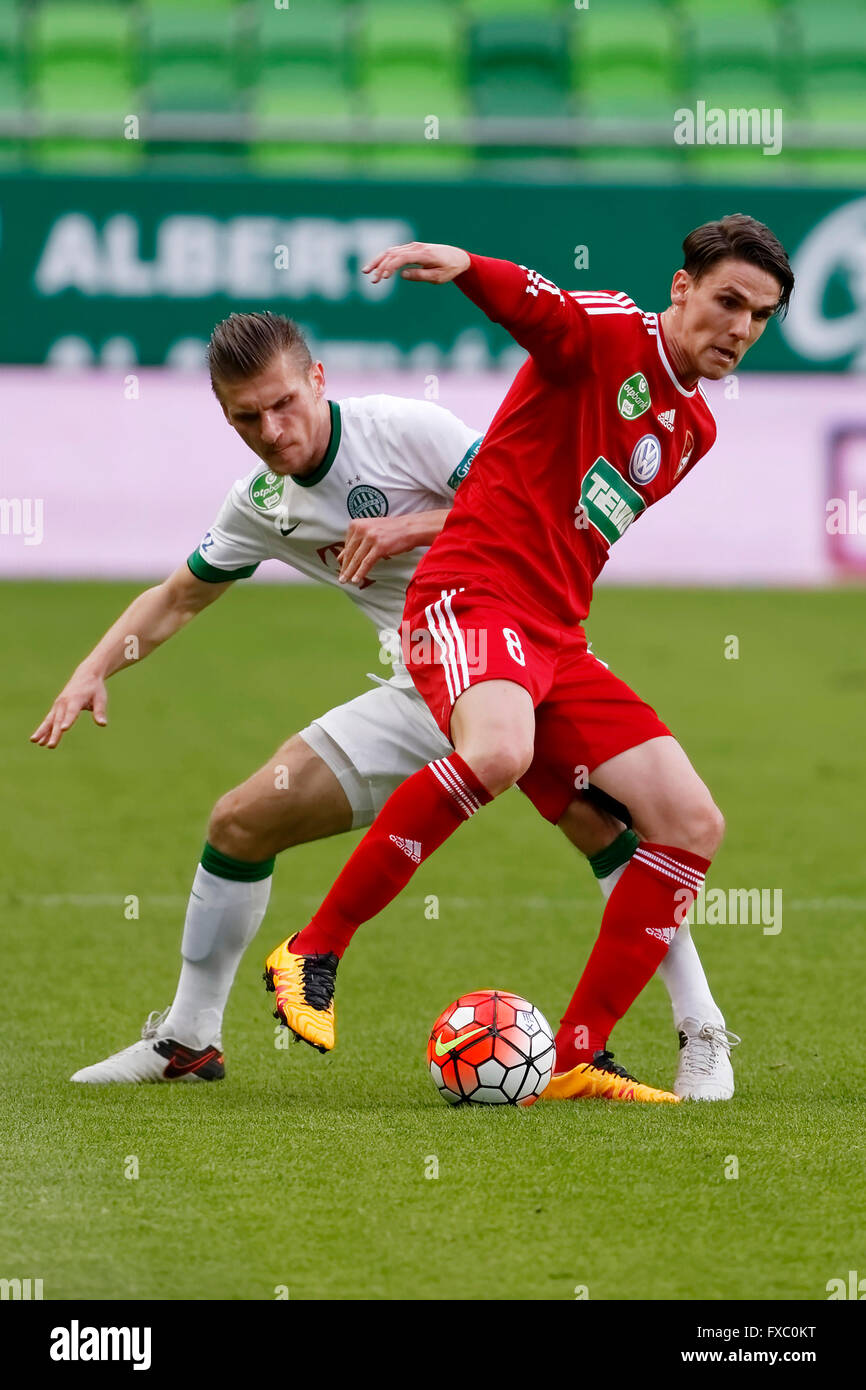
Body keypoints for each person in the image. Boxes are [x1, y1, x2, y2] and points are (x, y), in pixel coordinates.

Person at [32, 311, 726, 1092]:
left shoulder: (404, 429)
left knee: (609, 819)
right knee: (238, 823)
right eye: (246, 417)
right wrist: (93, 670)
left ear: (318, 379)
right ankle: (187, 1042)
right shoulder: (264, 502)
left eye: (283, 402)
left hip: (509, 645)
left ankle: (698, 1030)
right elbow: (179, 597)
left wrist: (405, 528)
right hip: (420, 678)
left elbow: (528, 502)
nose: (272, 428)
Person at [264, 214, 794, 1103]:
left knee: (691, 821)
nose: (739, 327)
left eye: (761, 314)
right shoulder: (612, 330)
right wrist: (468, 265)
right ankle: (314, 948)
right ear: (682, 289)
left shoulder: (694, 432)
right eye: (726, 301)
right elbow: (539, 309)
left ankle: (579, 1054)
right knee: (500, 752)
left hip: (556, 635)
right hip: (468, 595)